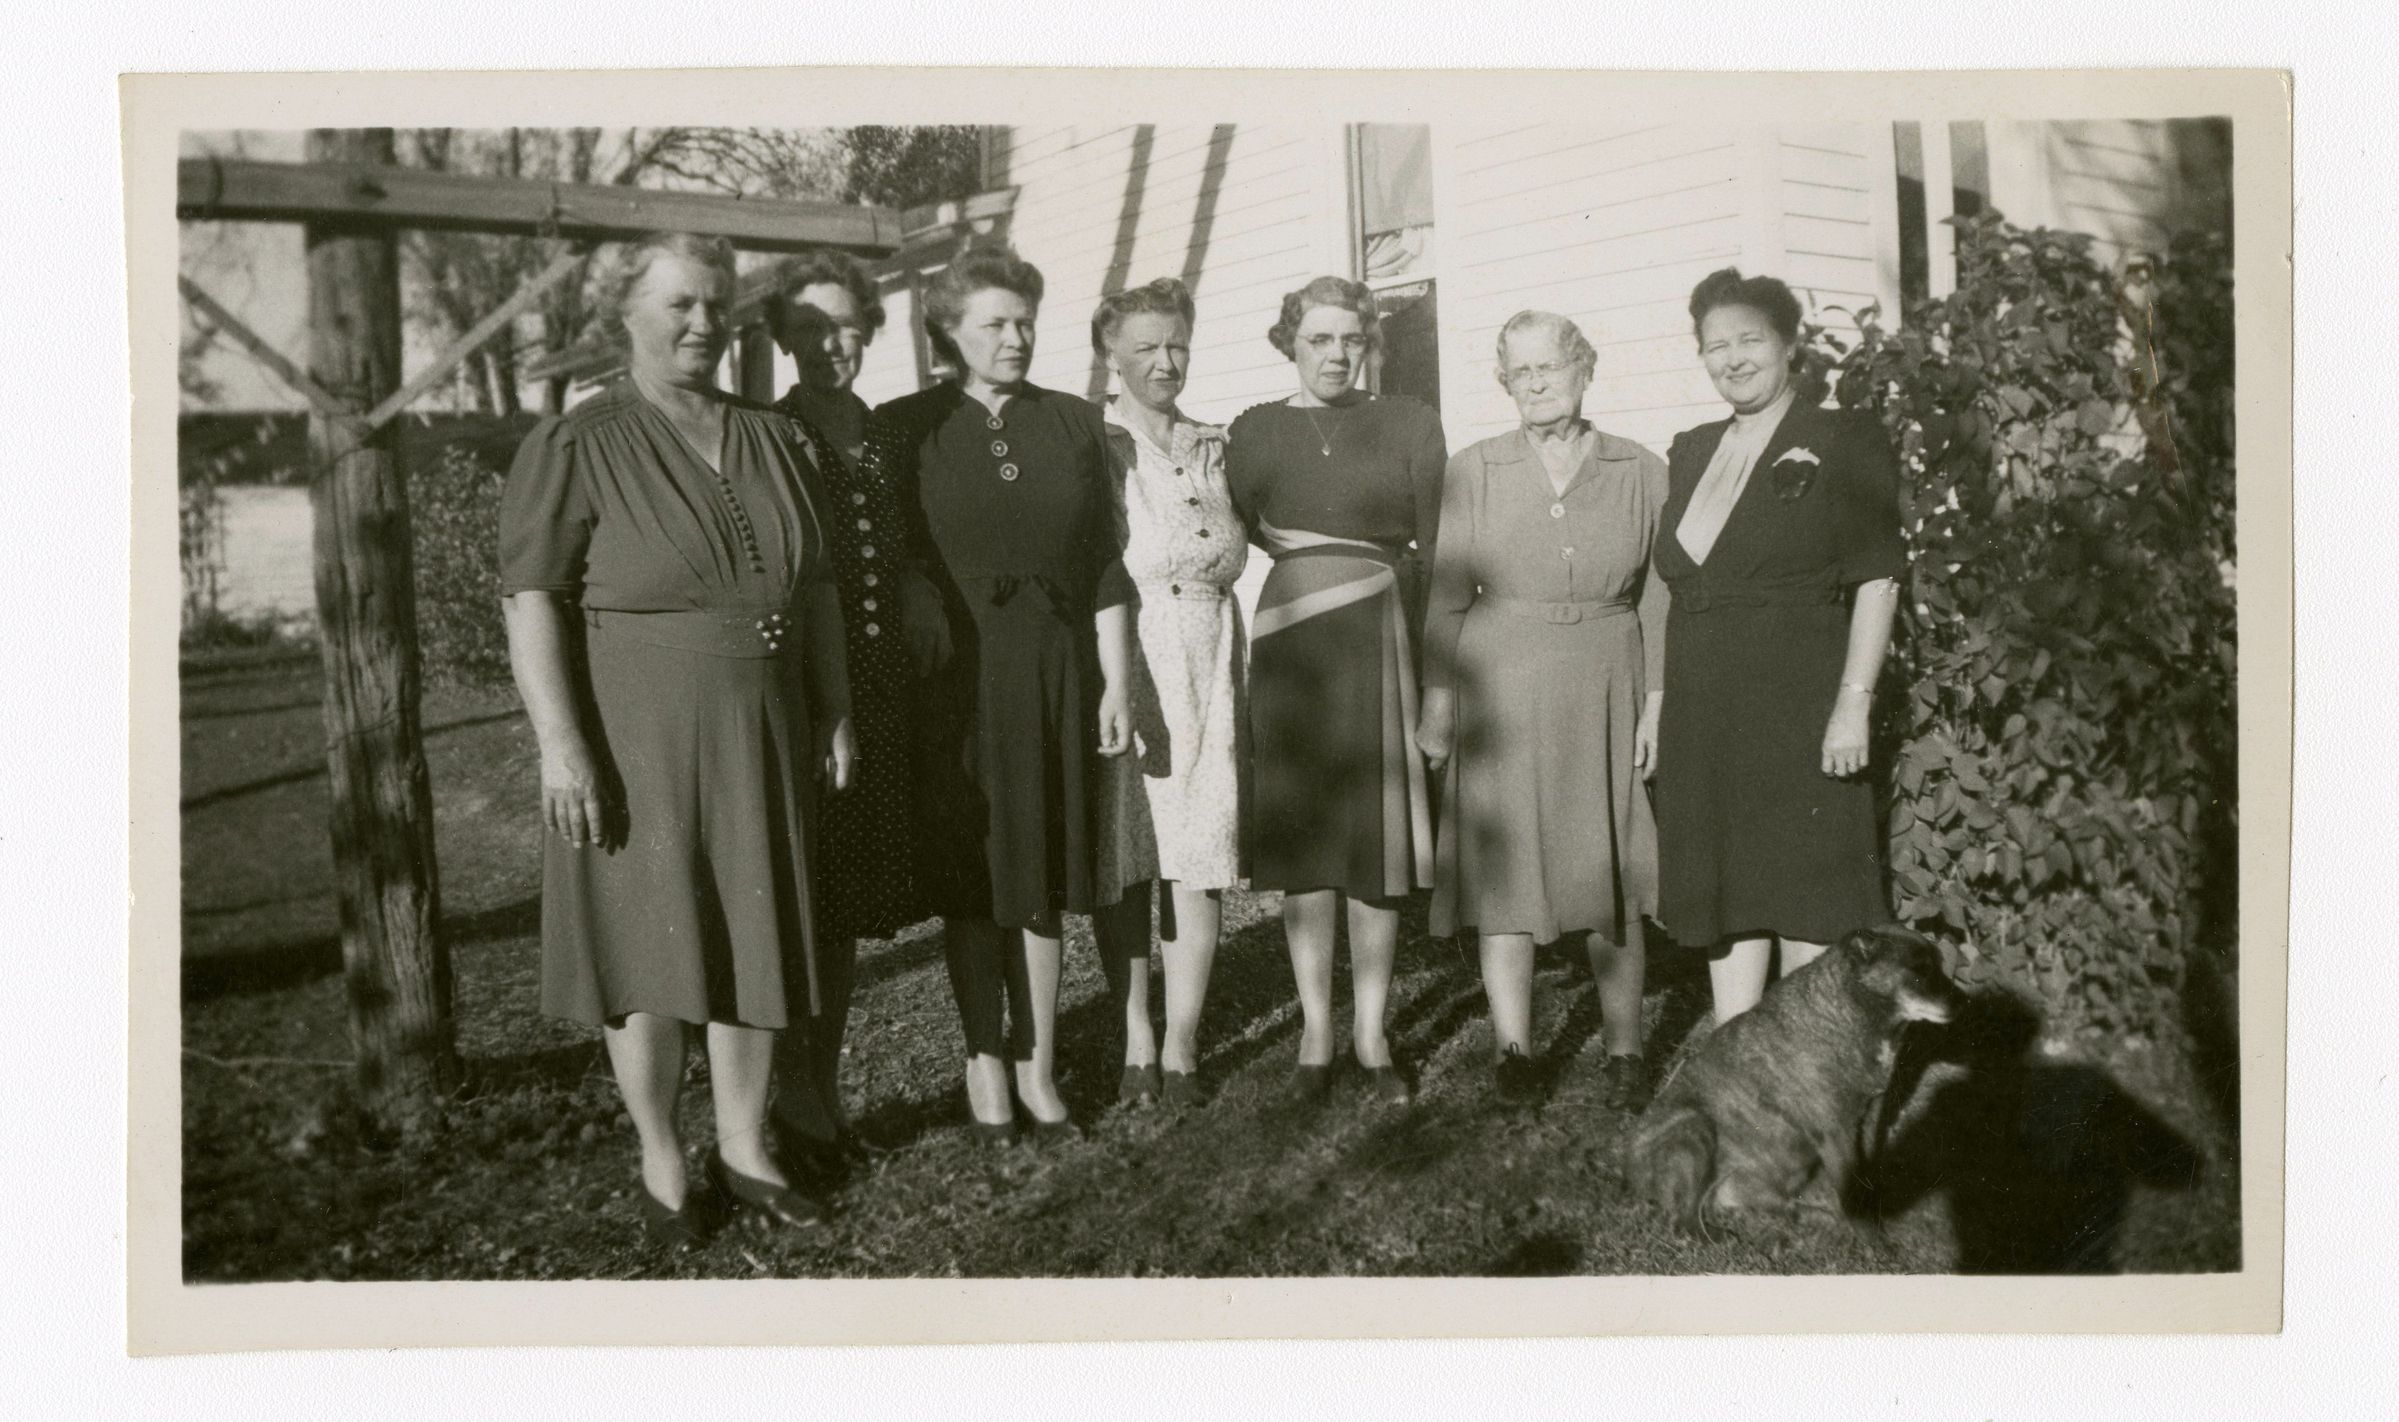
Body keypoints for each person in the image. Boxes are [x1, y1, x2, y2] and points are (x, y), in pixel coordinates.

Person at [498, 231, 853, 1249]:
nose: (703, 323)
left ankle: (744, 1148)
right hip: (636, 735)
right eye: (679, 304)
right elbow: (530, 598)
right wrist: (561, 745)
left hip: (763, 728)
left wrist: (832, 707)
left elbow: (819, 589)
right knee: (648, 948)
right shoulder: (579, 441)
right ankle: (661, 1153)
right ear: (626, 314)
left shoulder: (773, 438)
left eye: (715, 304)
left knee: (754, 935)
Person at [868, 246, 1134, 1144]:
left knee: (1042, 873)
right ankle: (983, 1057)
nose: (1015, 338)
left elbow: (1104, 562)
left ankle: (1038, 1065)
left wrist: (1114, 682)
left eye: (1025, 322)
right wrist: (912, 585)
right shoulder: (905, 426)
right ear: (948, 332)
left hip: (1056, 670)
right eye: (994, 324)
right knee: (975, 874)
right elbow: (883, 543)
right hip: (957, 680)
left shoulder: (1071, 423)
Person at [1417, 311, 1669, 1113]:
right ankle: (1513, 1049)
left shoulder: (1640, 469)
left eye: (1548, 367)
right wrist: (1438, 701)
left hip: (1607, 678)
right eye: (1517, 372)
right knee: (1506, 871)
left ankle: (1624, 1048)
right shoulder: (1475, 469)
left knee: (1608, 864)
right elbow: (1447, 595)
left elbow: (1659, 597)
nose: (1533, 384)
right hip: (1501, 682)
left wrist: (1655, 702)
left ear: (1583, 370)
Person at [1651, 268, 1907, 1023]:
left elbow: (1878, 578)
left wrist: (1852, 704)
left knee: (1803, 888)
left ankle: (1799, 1048)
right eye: (1715, 346)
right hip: (1706, 705)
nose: (1732, 359)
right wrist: (1659, 702)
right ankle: (1735, 1047)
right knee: (1728, 885)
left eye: (1749, 340)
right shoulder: (1692, 449)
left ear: (1789, 344)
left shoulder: (1842, 437)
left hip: (1799, 694)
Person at [1227, 275, 1447, 1106]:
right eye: (1318, 338)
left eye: (1351, 339)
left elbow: (1441, 548)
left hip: (1380, 635)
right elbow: (1237, 525)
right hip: (1290, 639)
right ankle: (1316, 1032)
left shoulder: (1409, 421)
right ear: (1290, 342)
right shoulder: (1254, 430)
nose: (1335, 354)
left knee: (1375, 846)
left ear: (1369, 345)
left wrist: (1435, 677)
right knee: (1306, 846)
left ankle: (1372, 1032)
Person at [761, 250, 941, 1178]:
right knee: (802, 897)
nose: (831, 345)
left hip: (880, 688)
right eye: (809, 329)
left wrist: (916, 584)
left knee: (844, 901)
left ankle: (819, 1094)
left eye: (845, 326)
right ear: (781, 339)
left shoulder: (883, 433)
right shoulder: (767, 435)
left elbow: (910, 536)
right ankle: (788, 1098)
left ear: (869, 328)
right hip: (799, 690)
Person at [1085, 278, 1246, 1110]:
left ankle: (1180, 1043)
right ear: (1110, 355)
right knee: (1131, 852)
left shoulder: (1213, 445)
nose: (1164, 361)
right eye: (1145, 347)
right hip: (1133, 653)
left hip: (1211, 652)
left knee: (1201, 849)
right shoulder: (1097, 446)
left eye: (1176, 343)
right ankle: (1135, 1037)